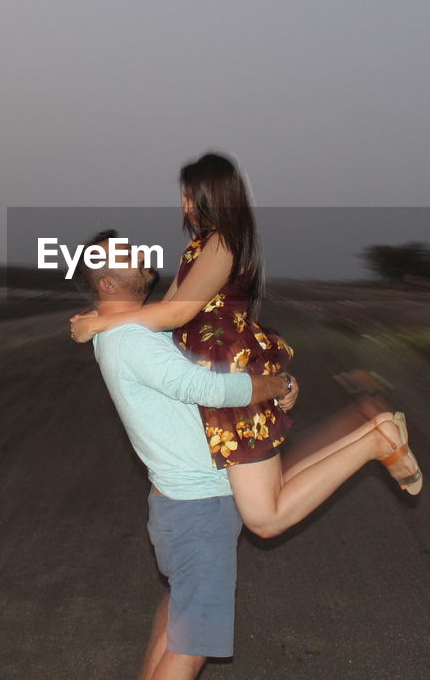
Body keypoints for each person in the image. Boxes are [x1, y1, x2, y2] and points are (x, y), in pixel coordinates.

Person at [72, 152, 421, 544]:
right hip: (220, 372)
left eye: (189, 195)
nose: (184, 205)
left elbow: (175, 314)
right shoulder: (199, 247)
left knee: (265, 517)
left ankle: (376, 440)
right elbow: (161, 312)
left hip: (229, 372)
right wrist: (108, 316)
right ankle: (373, 433)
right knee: (269, 495)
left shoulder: (223, 242)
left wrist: (103, 321)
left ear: (211, 195)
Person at [76, 229, 297, 680]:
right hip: (198, 508)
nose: (140, 254)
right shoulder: (133, 340)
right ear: (108, 284)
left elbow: (193, 323)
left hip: (185, 505)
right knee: (192, 647)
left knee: (182, 612)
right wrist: (277, 386)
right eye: (126, 256)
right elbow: (206, 388)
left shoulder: (130, 331)